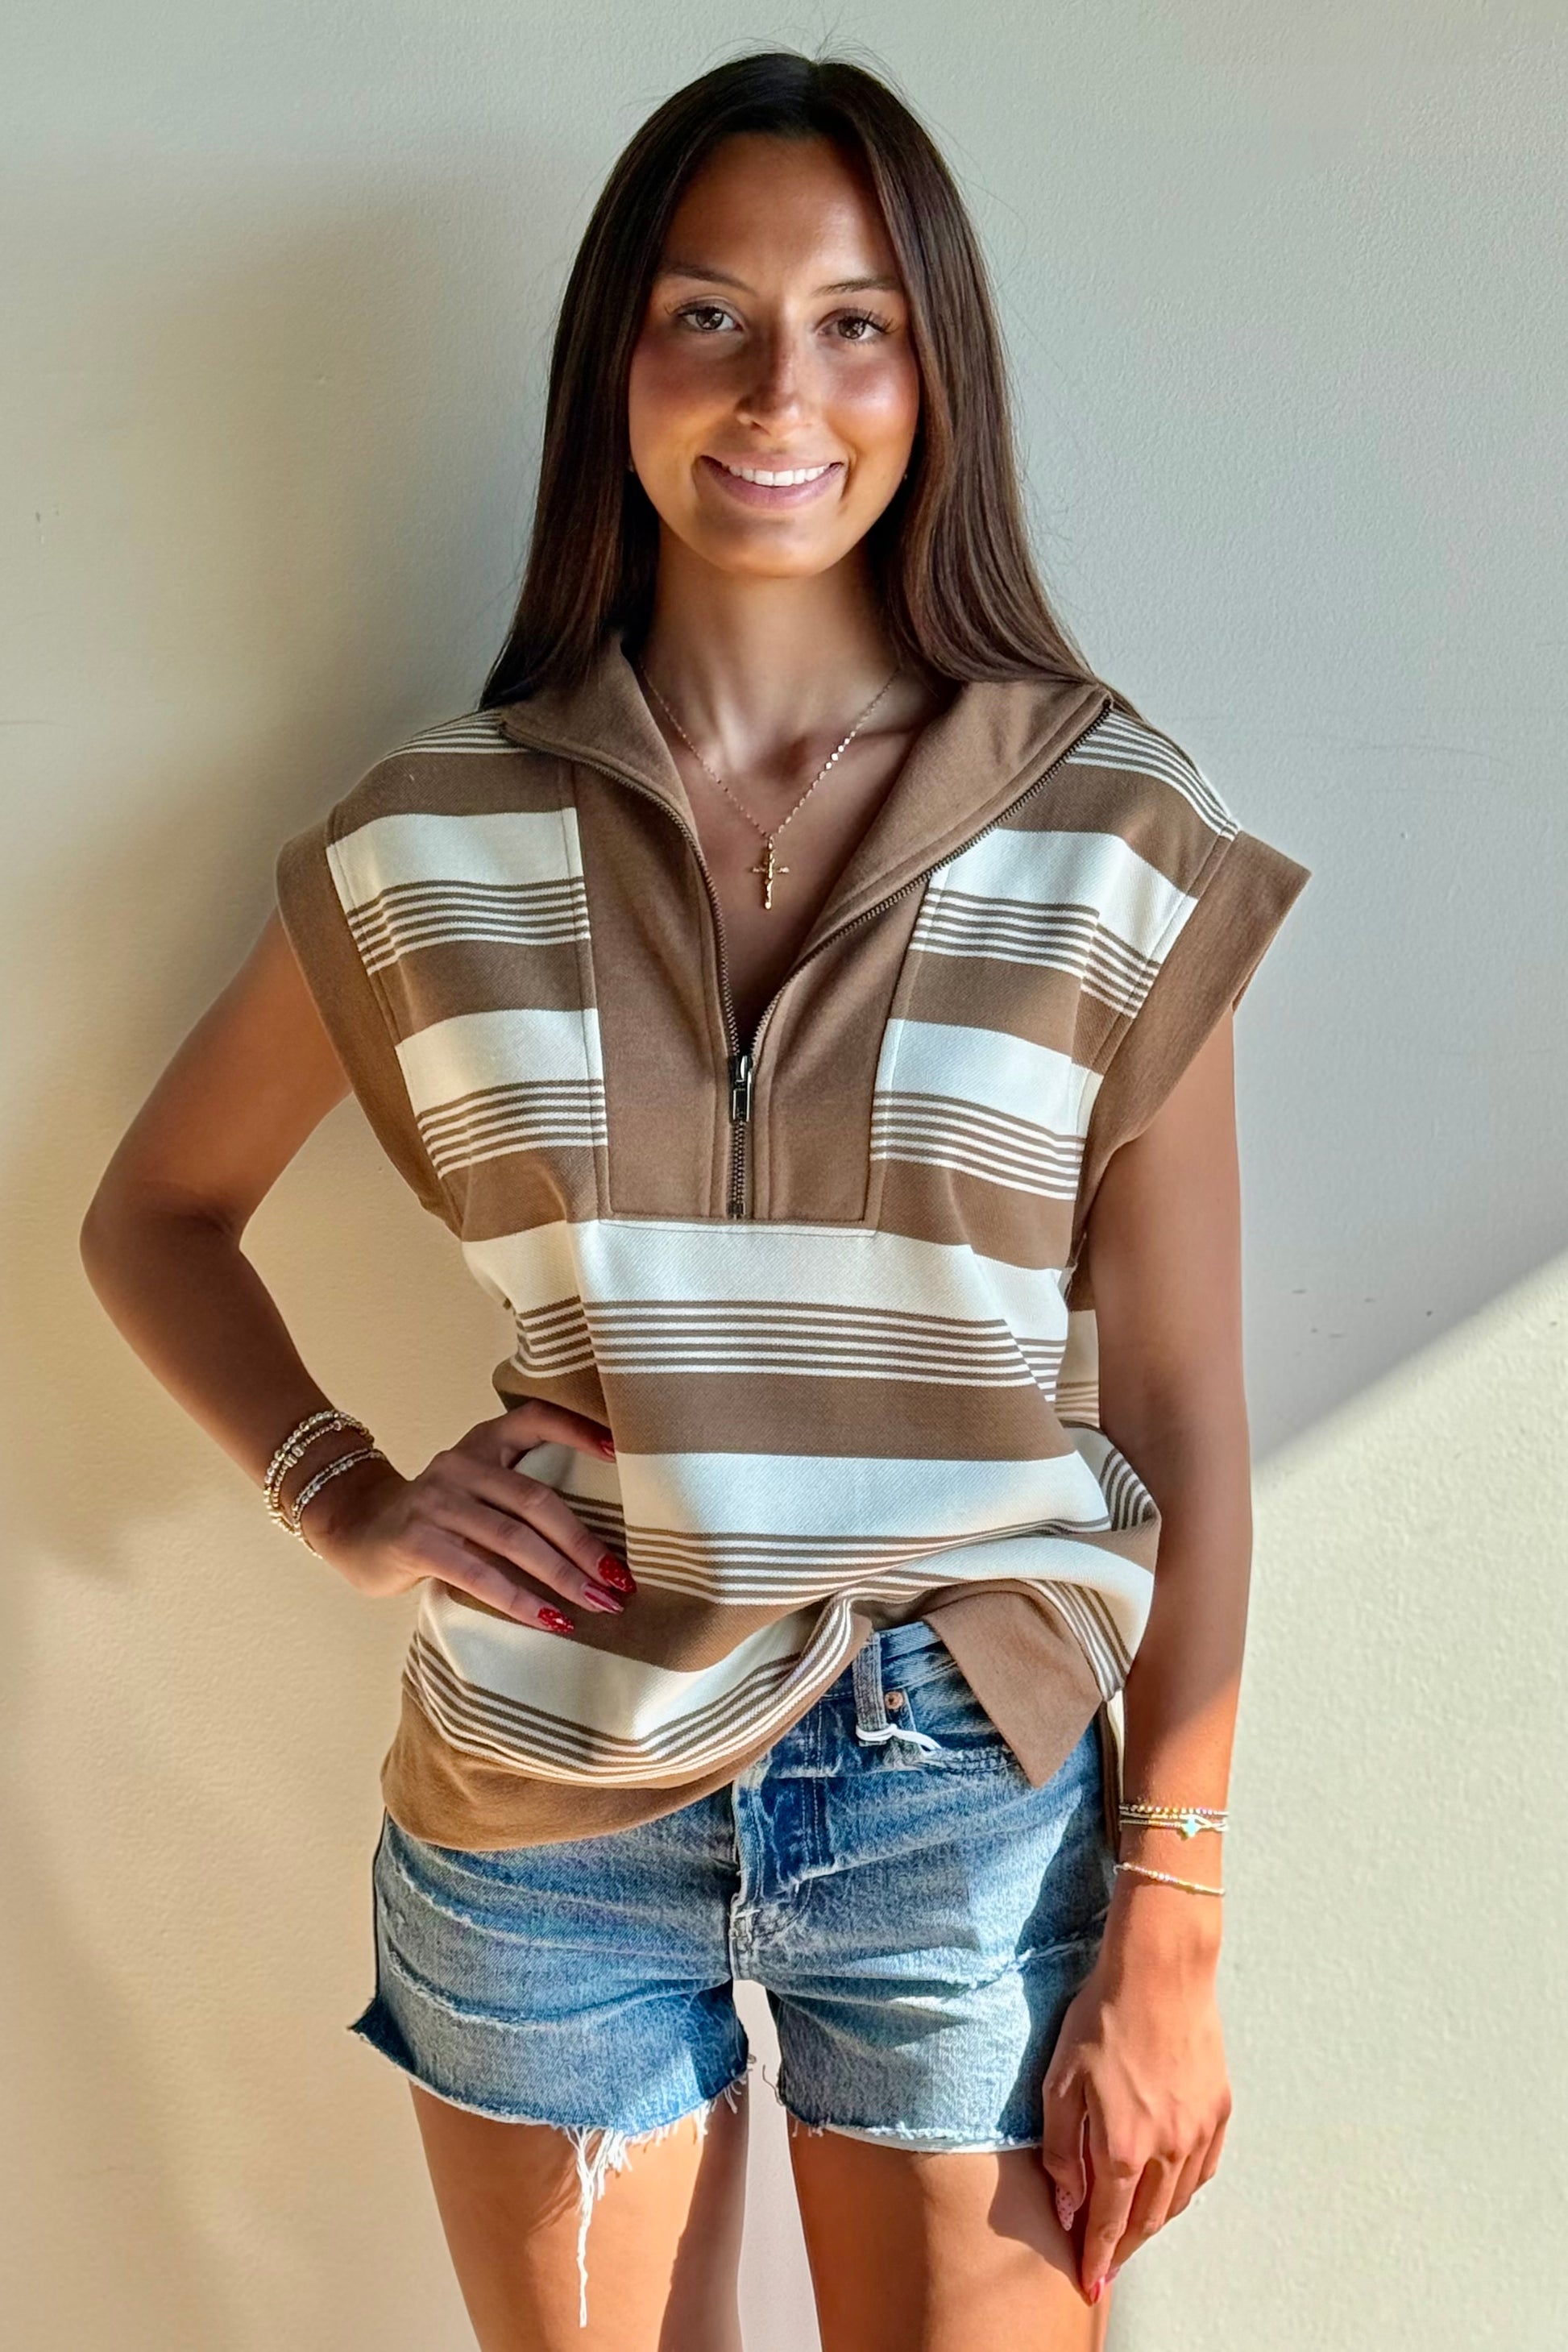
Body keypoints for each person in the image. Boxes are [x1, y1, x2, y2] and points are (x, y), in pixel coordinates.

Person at [80, 48, 1312, 2352]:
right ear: (614, 369)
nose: (781, 390)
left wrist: (1172, 1912)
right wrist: (341, 1493)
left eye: (856, 321)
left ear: (936, 371)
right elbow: (154, 1212)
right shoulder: (423, 839)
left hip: (966, 1788)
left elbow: (1178, 1403)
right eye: (705, 316)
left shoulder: (1109, 832)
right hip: (541, 1799)